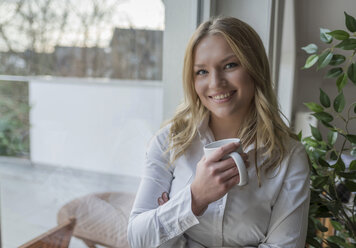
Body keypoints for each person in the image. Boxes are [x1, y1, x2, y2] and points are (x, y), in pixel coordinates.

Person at [127, 16, 310, 248]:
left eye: (230, 65)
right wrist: (195, 198)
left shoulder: (290, 157)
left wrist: (170, 224)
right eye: (201, 72)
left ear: (255, 68)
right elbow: (137, 239)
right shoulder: (169, 142)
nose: (215, 83)